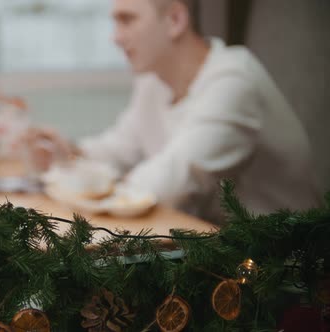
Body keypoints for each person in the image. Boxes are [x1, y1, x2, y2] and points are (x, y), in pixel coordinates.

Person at [25, 0, 321, 223]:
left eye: (127, 20)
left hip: (284, 271)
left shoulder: (234, 81)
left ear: (175, 20)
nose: (115, 37)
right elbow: (120, 148)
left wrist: (78, 182)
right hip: (217, 250)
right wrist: (68, 153)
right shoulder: (154, 80)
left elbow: (168, 184)